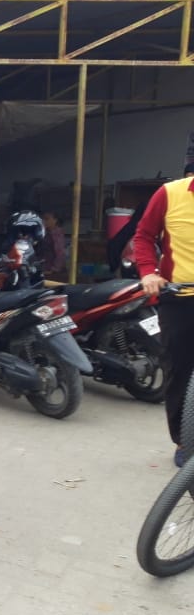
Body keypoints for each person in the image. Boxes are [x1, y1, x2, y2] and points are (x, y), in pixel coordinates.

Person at [134, 154, 194, 467]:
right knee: (179, 370)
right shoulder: (170, 194)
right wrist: (148, 272)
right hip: (179, 296)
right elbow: (143, 236)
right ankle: (184, 441)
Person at [39, 210, 67, 281]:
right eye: (43, 219)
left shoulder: (57, 234)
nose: (44, 221)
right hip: (44, 268)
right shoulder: (44, 233)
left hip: (52, 271)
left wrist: (54, 269)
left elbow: (60, 252)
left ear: (55, 220)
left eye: (47, 219)